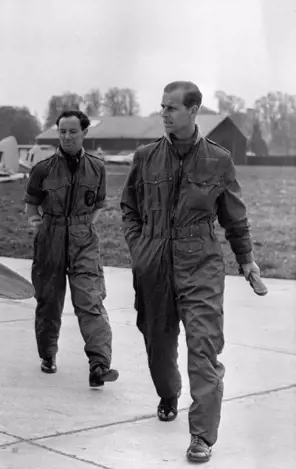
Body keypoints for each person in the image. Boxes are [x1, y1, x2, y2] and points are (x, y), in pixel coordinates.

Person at [120, 81, 261, 463]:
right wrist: (139, 247)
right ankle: (168, 394)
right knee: (158, 343)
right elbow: (129, 208)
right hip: (153, 263)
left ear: (194, 111)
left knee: (204, 347)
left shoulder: (218, 160)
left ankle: (202, 435)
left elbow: (235, 216)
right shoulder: (145, 157)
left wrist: (246, 259)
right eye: (162, 107)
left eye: (172, 108)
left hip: (200, 264)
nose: (164, 114)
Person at [23, 109, 119, 388]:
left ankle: (99, 365)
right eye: (62, 131)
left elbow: (99, 204)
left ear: (84, 133)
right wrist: (38, 224)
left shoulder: (98, 168)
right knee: (49, 302)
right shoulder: (42, 169)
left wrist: (83, 225)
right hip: (49, 239)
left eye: (72, 131)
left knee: (90, 301)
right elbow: (31, 205)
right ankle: (48, 355)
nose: (66, 136)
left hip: (83, 241)